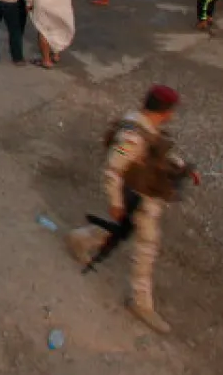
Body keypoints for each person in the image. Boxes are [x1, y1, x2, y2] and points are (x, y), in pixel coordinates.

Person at [65, 85, 199, 334]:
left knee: (121, 231)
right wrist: (115, 202)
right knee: (146, 246)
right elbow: (112, 169)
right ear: (166, 111)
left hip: (142, 191)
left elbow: (156, 151)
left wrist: (181, 167)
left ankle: (81, 239)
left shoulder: (141, 122)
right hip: (139, 196)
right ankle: (141, 303)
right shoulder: (133, 137)